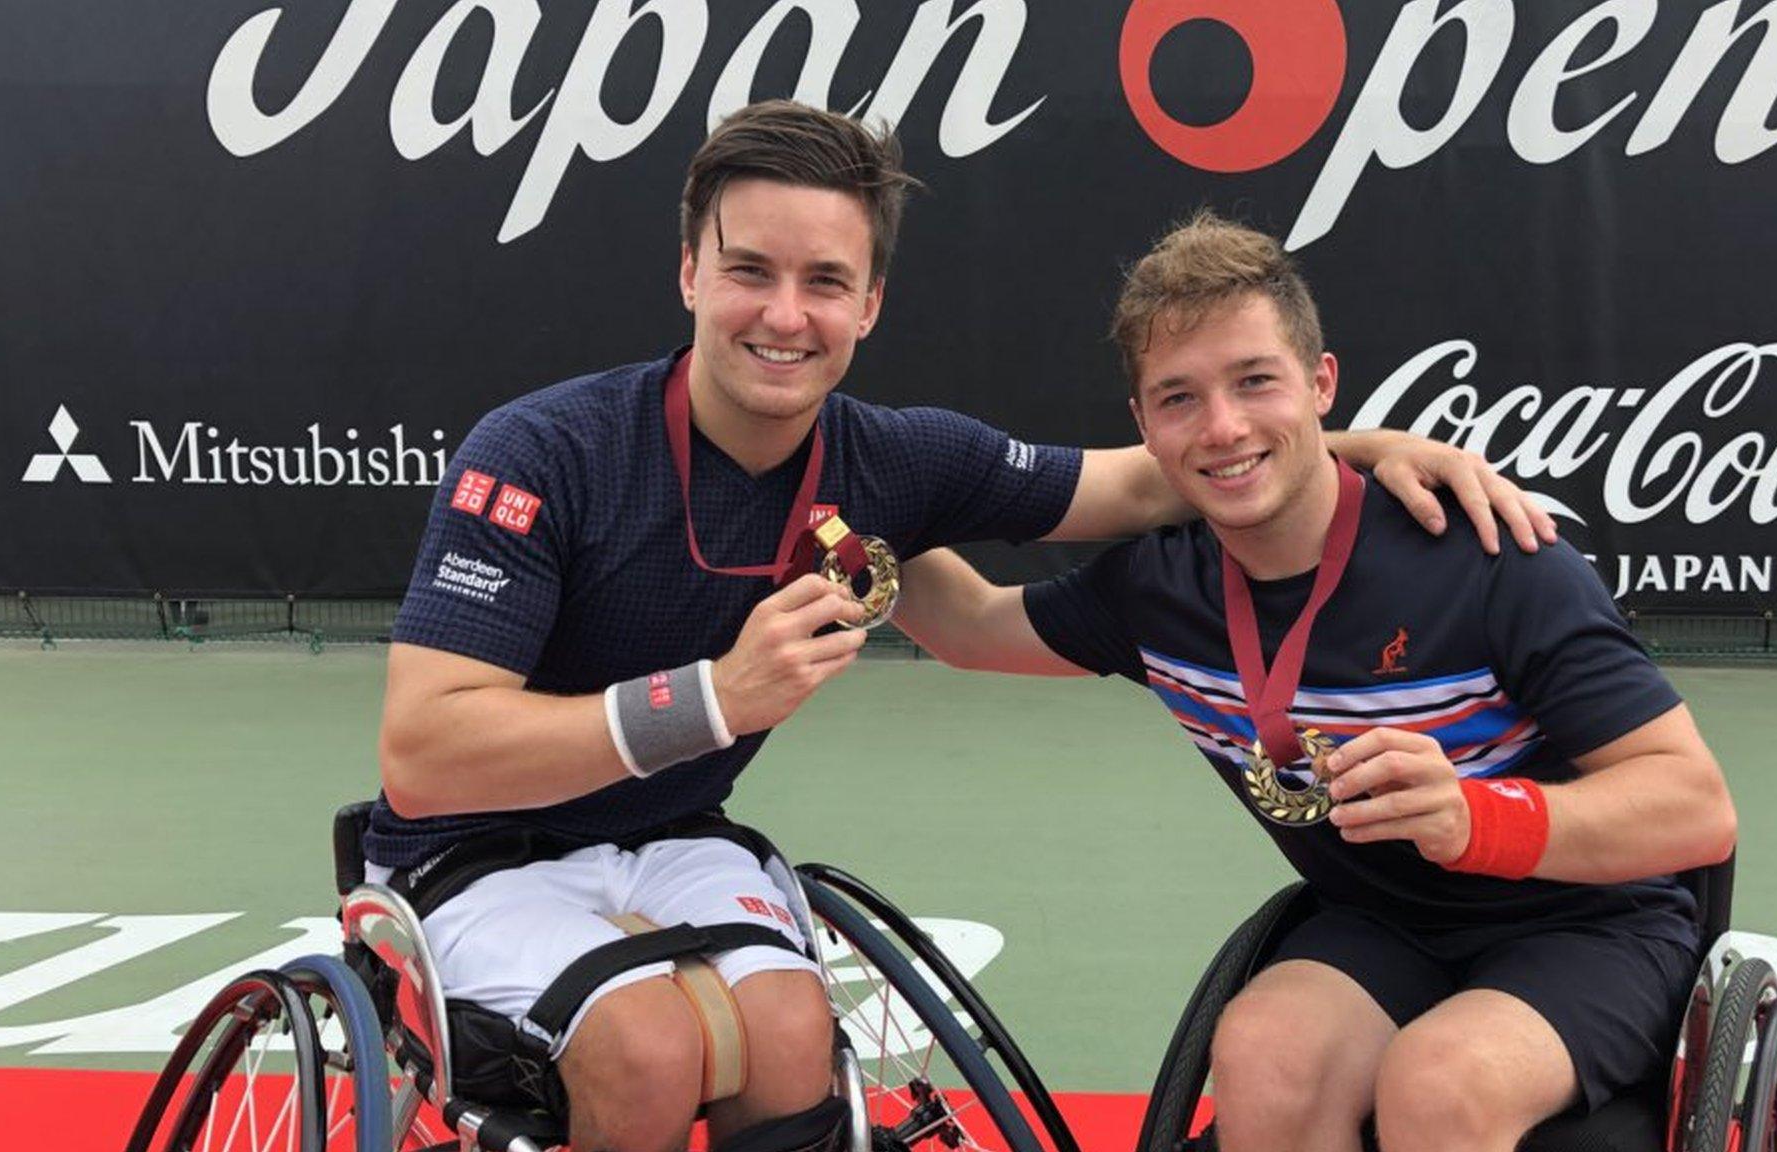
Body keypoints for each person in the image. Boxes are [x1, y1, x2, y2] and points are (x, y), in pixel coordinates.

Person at [370, 102, 1556, 1152]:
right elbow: (423, 757)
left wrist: (1374, 448)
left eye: (826, 282)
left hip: (674, 829)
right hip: (471, 857)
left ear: (869, 303)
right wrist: (715, 698)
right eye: (750, 272)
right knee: (642, 1049)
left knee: (791, 1036)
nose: (786, 315)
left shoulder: (895, 457)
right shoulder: (541, 452)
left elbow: (1148, 479)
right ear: (687, 272)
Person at [892, 211, 1737, 1152]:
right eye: (1179, 398)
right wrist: (827, 516)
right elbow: (965, 626)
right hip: (1384, 922)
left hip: (1591, 928)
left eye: (1256, 381)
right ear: (1142, 425)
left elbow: (1694, 806)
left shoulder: (1491, 557)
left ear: (1321, 383)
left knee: (1441, 1083)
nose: (1223, 427)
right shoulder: (1157, 589)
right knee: (1260, 1053)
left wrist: (1475, 815)